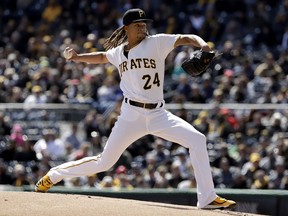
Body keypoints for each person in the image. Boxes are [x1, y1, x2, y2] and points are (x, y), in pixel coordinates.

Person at [35, 8, 236, 209]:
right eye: (138, 25)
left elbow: (186, 38)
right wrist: (78, 57)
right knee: (104, 163)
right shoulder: (118, 52)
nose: (143, 27)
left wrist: (204, 45)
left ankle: (207, 198)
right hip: (131, 116)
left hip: (158, 114)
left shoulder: (156, 42)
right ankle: (53, 175)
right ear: (126, 28)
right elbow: (103, 57)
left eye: (144, 24)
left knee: (197, 140)